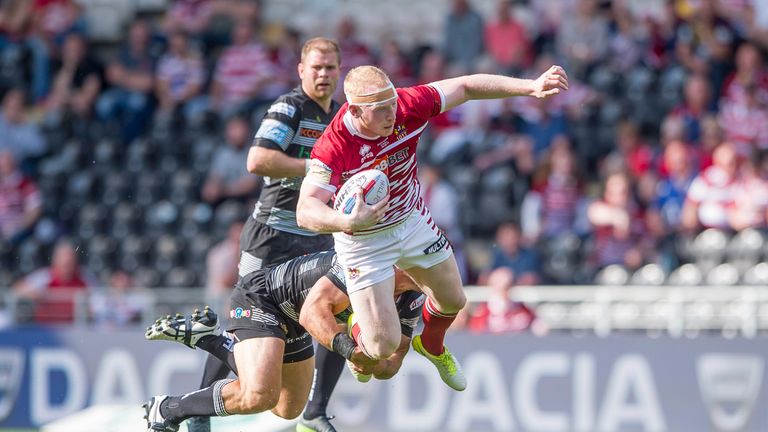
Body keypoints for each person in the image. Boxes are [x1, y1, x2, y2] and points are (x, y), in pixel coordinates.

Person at [297, 64, 568, 391]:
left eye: (393, 104)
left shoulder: (408, 104)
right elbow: (305, 209)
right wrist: (346, 221)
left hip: (411, 220)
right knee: (383, 349)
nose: (392, 115)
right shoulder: (334, 144)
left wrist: (531, 86)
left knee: (454, 300)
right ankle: (359, 326)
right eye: (381, 110)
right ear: (355, 110)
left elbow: (466, 86)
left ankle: (432, 345)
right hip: (363, 241)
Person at [188, 37, 342, 432]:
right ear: (301, 71)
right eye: (317, 67)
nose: (324, 75)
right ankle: (199, 410)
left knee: (337, 310)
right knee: (245, 320)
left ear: (339, 71)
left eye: (330, 68)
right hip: (271, 237)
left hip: (317, 236)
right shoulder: (288, 107)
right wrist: (316, 168)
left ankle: (316, 410)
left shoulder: (341, 117)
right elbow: (257, 160)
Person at [143, 250, 428, 432]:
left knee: (286, 407)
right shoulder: (365, 268)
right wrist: (351, 351)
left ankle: (214, 340)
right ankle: (168, 408)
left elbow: (393, 361)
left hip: (292, 320)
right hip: (263, 299)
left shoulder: (412, 296)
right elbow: (311, 314)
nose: (437, 280)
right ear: (406, 265)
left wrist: (374, 360)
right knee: (258, 394)